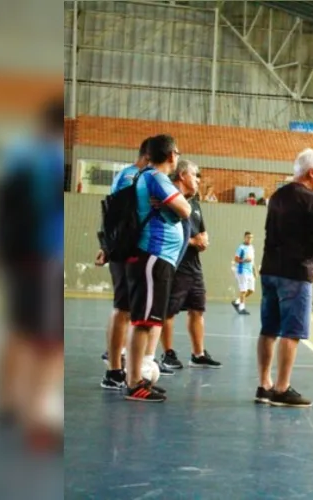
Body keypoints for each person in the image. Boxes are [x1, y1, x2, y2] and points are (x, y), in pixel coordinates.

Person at [0, 97, 65, 448]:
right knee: (49, 343)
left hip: (24, 257)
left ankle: (7, 405)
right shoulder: (45, 159)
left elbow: (1, 205)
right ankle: (39, 418)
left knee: (19, 330)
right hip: (45, 256)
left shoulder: (20, 155)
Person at [256, 148, 313, 408]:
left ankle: (264, 385)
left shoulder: (277, 197)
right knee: (291, 333)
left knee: (269, 329)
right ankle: (282, 389)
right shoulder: (311, 198)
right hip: (295, 274)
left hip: (270, 270)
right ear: (312, 172)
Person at [124, 134, 192, 402]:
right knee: (143, 322)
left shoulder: (147, 177)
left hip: (156, 258)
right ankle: (133, 383)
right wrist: (176, 206)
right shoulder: (156, 178)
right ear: (173, 154)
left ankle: (136, 379)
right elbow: (185, 209)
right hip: (153, 255)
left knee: (146, 320)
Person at [96, 138, 150, 390]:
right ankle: (114, 370)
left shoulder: (133, 177)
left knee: (126, 309)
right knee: (123, 308)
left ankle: (119, 363)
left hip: (128, 249)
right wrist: (108, 247)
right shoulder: (131, 177)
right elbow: (115, 216)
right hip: (125, 250)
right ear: (149, 156)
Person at [159, 160, 222, 371]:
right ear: (183, 175)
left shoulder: (194, 203)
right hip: (175, 265)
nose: (198, 180)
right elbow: (167, 232)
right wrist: (193, 241)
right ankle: (167, 353)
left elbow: (202, 231)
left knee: (197, 309)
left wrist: (203, 239)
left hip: (194, 266)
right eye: (195, 175)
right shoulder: (169, 200)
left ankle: (198, 354)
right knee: (168, 311)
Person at [232, 231, 256, 315]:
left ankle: (237, 301)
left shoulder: (252, 247)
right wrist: (245, 260)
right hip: (242, 271)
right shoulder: (241, 248)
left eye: (251, 237)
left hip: (250, 272)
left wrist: (254, 271)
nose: (249, 239)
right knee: (243, 290)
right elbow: (236, 259)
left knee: (251, 290)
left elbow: (252, 260)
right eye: (248, 237)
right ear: (244, 238)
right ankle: (242, 308)